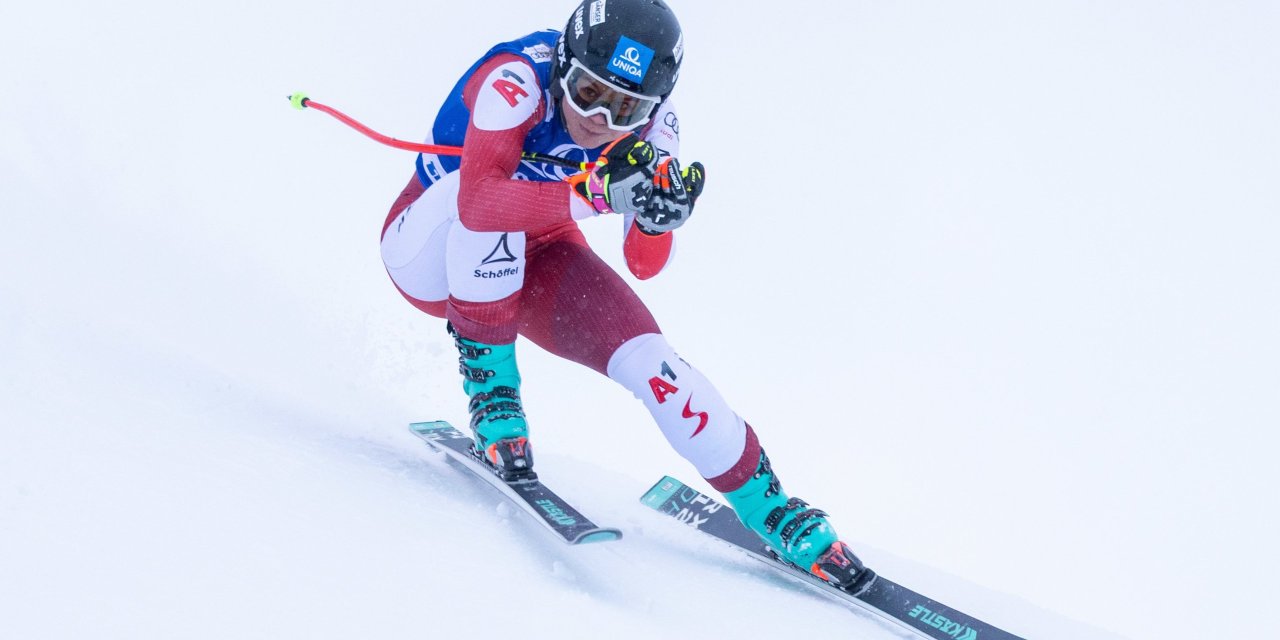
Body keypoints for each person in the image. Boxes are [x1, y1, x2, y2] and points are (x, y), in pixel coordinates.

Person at [379, 0, 866, 588]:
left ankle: (771, 508)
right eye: (587, 93)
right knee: (482, 204)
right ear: (564, 62)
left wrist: (658, 220)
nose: (599, 121)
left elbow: (643, 263)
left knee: (651, 360)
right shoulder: (515, 81)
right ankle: (494, 396)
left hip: (538, 252)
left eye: (626, 108)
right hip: (429, 254)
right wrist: (602, 197)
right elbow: (477, 205)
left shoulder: (657, 130)